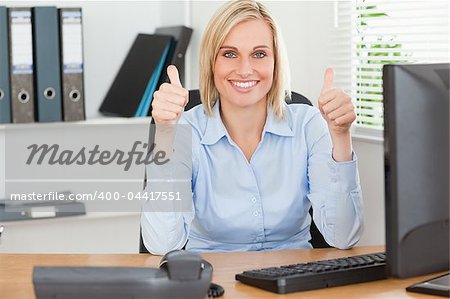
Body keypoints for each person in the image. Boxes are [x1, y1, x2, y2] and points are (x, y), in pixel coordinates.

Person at [141, 0, 363, 255]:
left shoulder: (308, 124)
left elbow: (345, 236)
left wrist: (340, 137)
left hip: (291, 279)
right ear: (211, 62)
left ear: (276, 62)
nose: (245, 70)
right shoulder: (187, 129)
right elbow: (162, 244)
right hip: (213, 277)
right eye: (229, 54)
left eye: (259, 54)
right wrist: (167, 134)